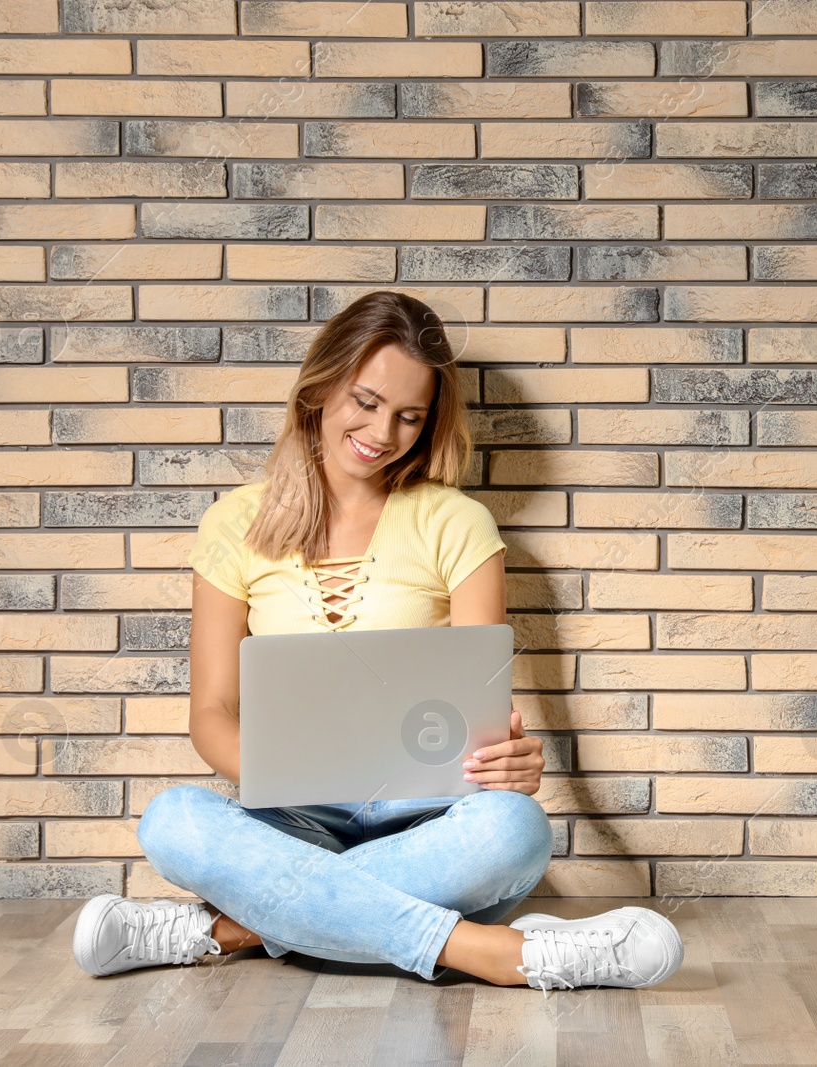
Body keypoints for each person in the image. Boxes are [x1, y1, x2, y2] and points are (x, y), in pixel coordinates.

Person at [71, 291, 683, 993]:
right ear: (321, 386)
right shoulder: (233, 522)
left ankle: (222, 931)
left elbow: (476, 714)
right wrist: (286, 770)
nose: (382, 431)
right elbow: (210, 712)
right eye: (364, 401)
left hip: (422, 814)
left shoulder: (457, 523)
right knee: (174, 820)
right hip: (290, 815)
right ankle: (493, 951)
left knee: (516, 829)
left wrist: (507, 761)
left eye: (408, 416)